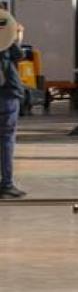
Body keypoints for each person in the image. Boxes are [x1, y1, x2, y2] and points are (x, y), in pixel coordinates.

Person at [0, 15, 24, 199]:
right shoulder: (5, 42)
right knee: (7, 139)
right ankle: (6, 183)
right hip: (6, 95)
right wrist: (17, 36)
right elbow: (19, 55)